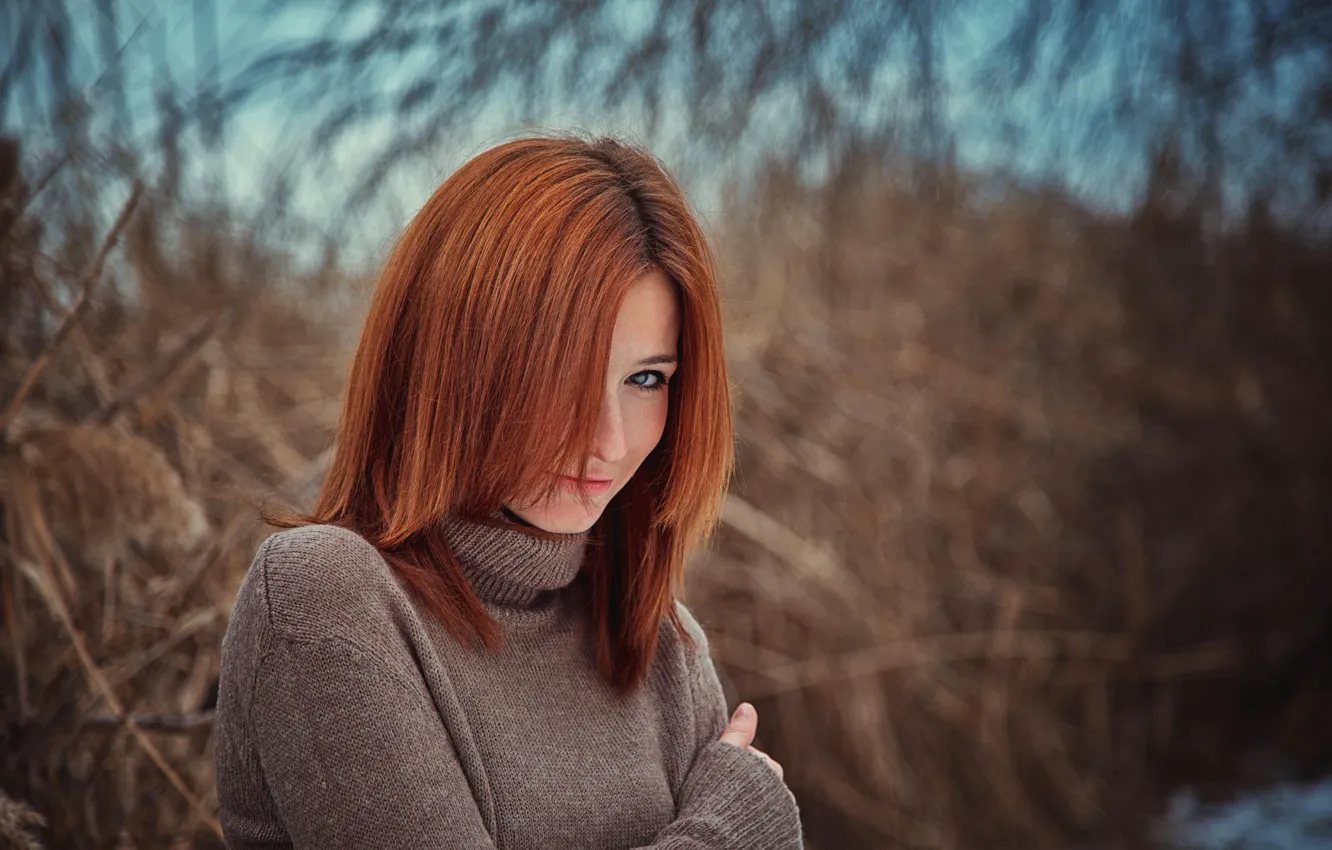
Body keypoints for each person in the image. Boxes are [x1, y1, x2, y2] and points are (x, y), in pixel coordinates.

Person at [213, 134, 803, 849]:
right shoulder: (326, 597)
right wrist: (727, 834)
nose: (610, 441)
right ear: (456, 358)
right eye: (565, 372)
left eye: (647, 378)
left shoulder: (663, 649)